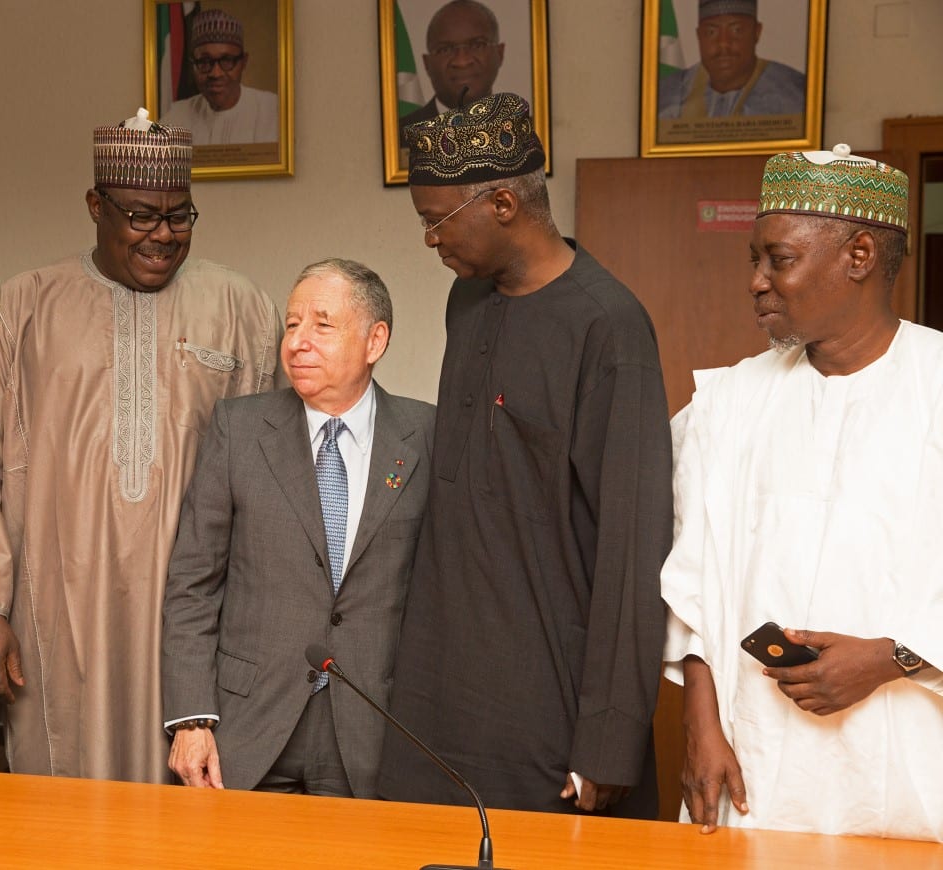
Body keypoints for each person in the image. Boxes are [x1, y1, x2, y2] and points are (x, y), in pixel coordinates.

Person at [0, 110, 285, 783]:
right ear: (95, 206)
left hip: (198, 615)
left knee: (196, 810)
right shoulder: (22, 307)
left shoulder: (243, 308)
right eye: (141, 216)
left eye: (180, 216)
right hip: (57, 608)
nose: (163, 235)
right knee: (61, 802)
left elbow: (273, 477)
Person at [380, 93, 672, 817]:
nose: (429, 241)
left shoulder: (609, 327)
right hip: (442, 691)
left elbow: (633, 546)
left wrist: (609, 739)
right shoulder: (467, 300)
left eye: (436, 221)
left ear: (504, 203)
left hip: (548, 700)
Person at [662, 145, 943, 841]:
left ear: (859, 256)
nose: (756, 282)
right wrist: (700, 729)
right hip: (757, 764)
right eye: (753, 261)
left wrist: (891, 657)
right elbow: (691, 584)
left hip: (907, 767)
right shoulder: (728, 404)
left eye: (778, 260)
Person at [162, 259, 434, 797]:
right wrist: (192, 719)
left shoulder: (426, 434)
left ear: (374, 340)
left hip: (373, 731)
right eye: (291, 324)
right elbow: (192, 583)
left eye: (322, 325)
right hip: (246, 728)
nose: (298, 342)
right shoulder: (239, 429)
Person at [657, 0, 805, 121]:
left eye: (737, 30)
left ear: (757, 32)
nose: (723, 43)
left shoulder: (796, 96)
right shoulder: (666, 95)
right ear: (699, 35)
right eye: (711, 32)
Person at [161, 9, 278, 146]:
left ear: (243, 62)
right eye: (205, 62)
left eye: (227, 60)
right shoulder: (177, 116)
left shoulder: (273, 110)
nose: (215, 73)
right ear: (193, 64)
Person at [398, 1, 506, 136]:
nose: (462, 61)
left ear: (500, 53)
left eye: (477, 45)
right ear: (427, 63)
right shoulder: (396, 137)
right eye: (445, 49)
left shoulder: (530, 133)